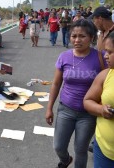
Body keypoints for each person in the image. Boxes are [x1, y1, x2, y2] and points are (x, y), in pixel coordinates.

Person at [45, 19, 104, 168]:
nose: (77, 40)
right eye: (73, 36)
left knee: (81, 150)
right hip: (66, 109)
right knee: (58, 146)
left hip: (88, 114)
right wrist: (49, 108)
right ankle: (65, 160)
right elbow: (57, 84)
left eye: (82, 36)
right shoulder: (64, 57)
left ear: (91, 38)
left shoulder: (100, 58)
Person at [83, 31, 114, 168]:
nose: (106, 56)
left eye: (110, 52)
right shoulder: (105, 75)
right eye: (105, 51)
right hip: (104, 151)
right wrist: (101, 109)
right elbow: (87, 101)